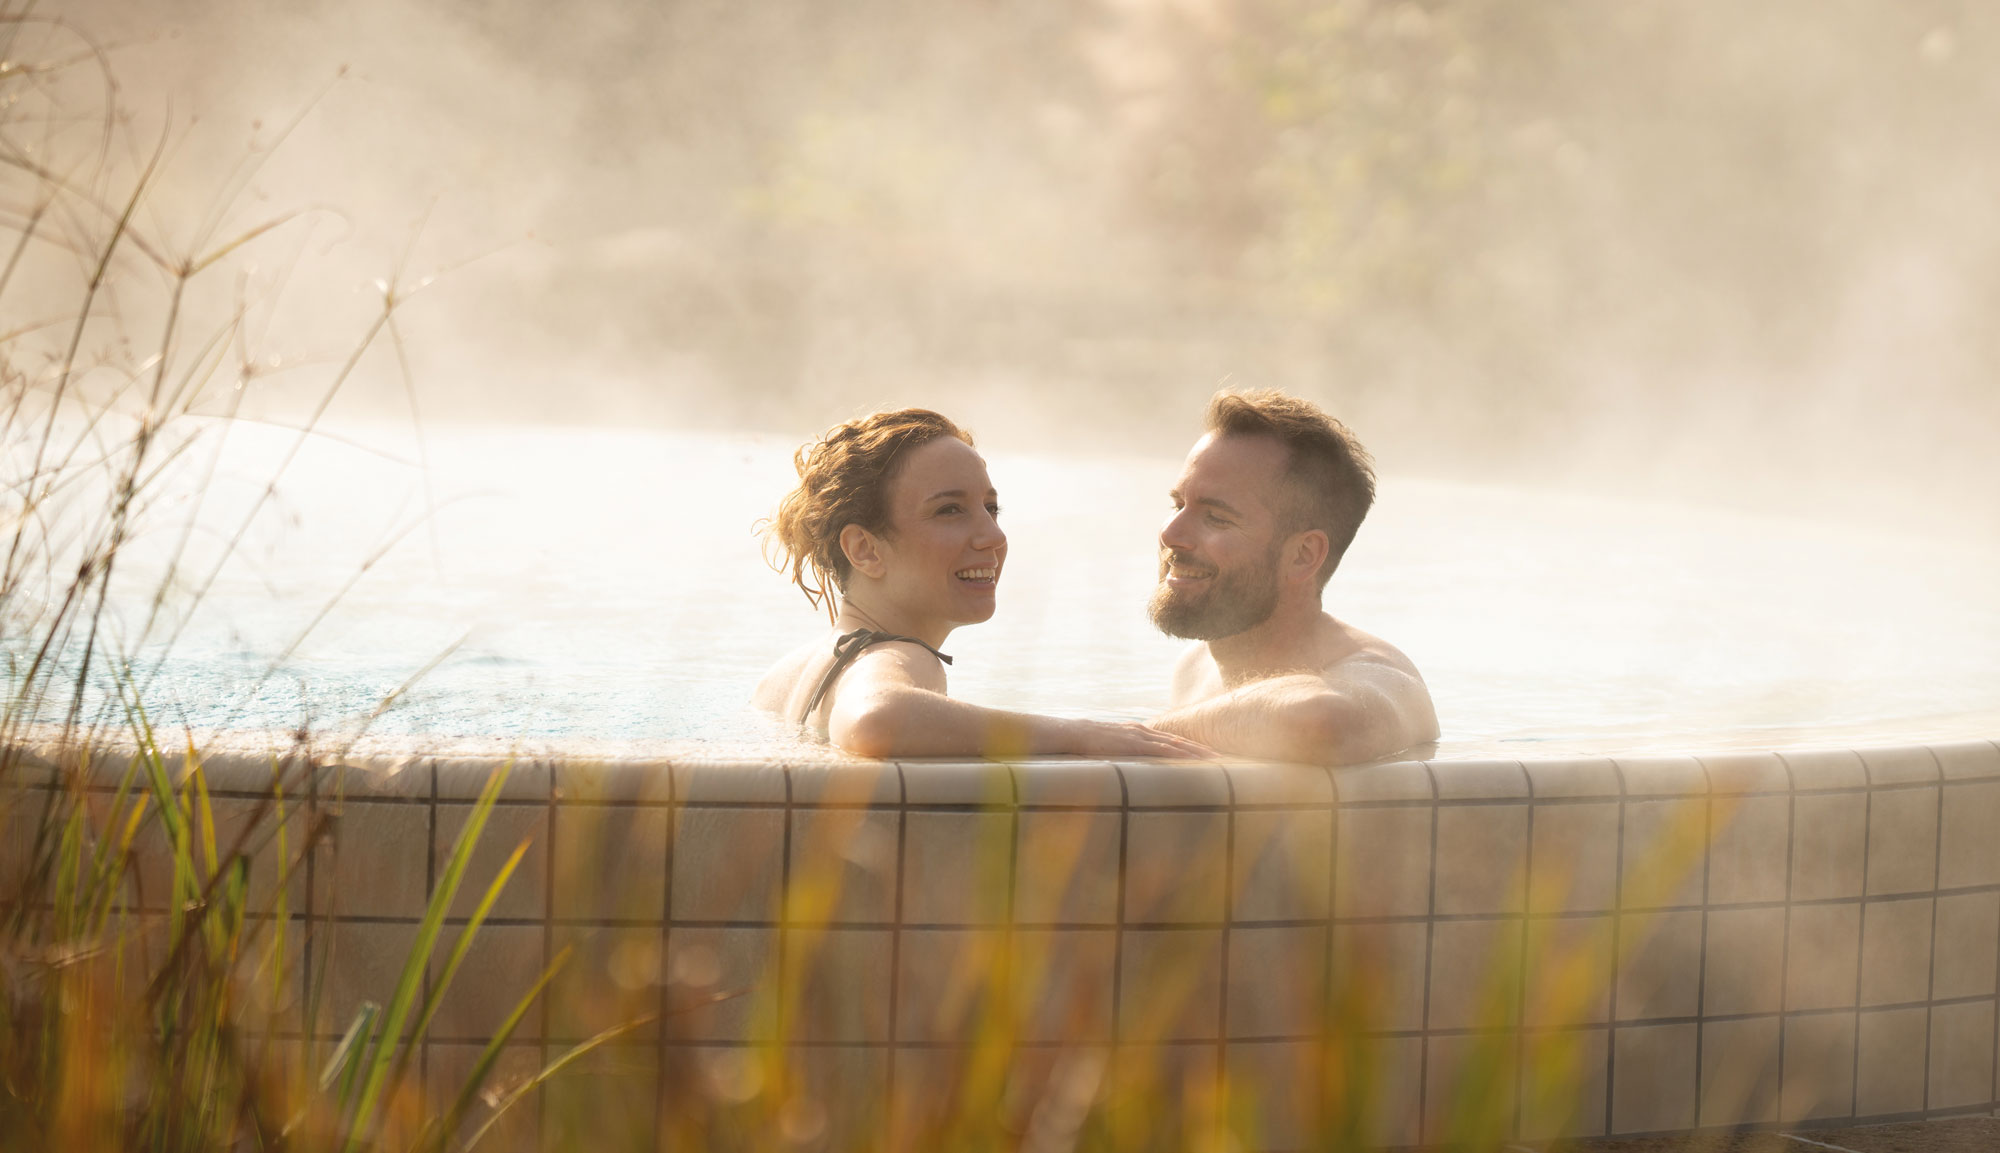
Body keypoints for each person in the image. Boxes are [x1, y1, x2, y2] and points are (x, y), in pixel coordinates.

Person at [755, 408, 1208, 760]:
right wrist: (1082, 733)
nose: (993, 537)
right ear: (865, 550)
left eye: (991, 509)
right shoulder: (901, 658)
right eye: (949, 510)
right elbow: (875, 720)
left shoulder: (782, 678)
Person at [1147, 389, 1439, 765]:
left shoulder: (1384, 678)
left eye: (1216, 518)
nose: (1171, 534)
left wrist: (1138, 734)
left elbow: (1321, 724)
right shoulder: (1193, 668)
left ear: (1303, 556)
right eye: (1178, 505)